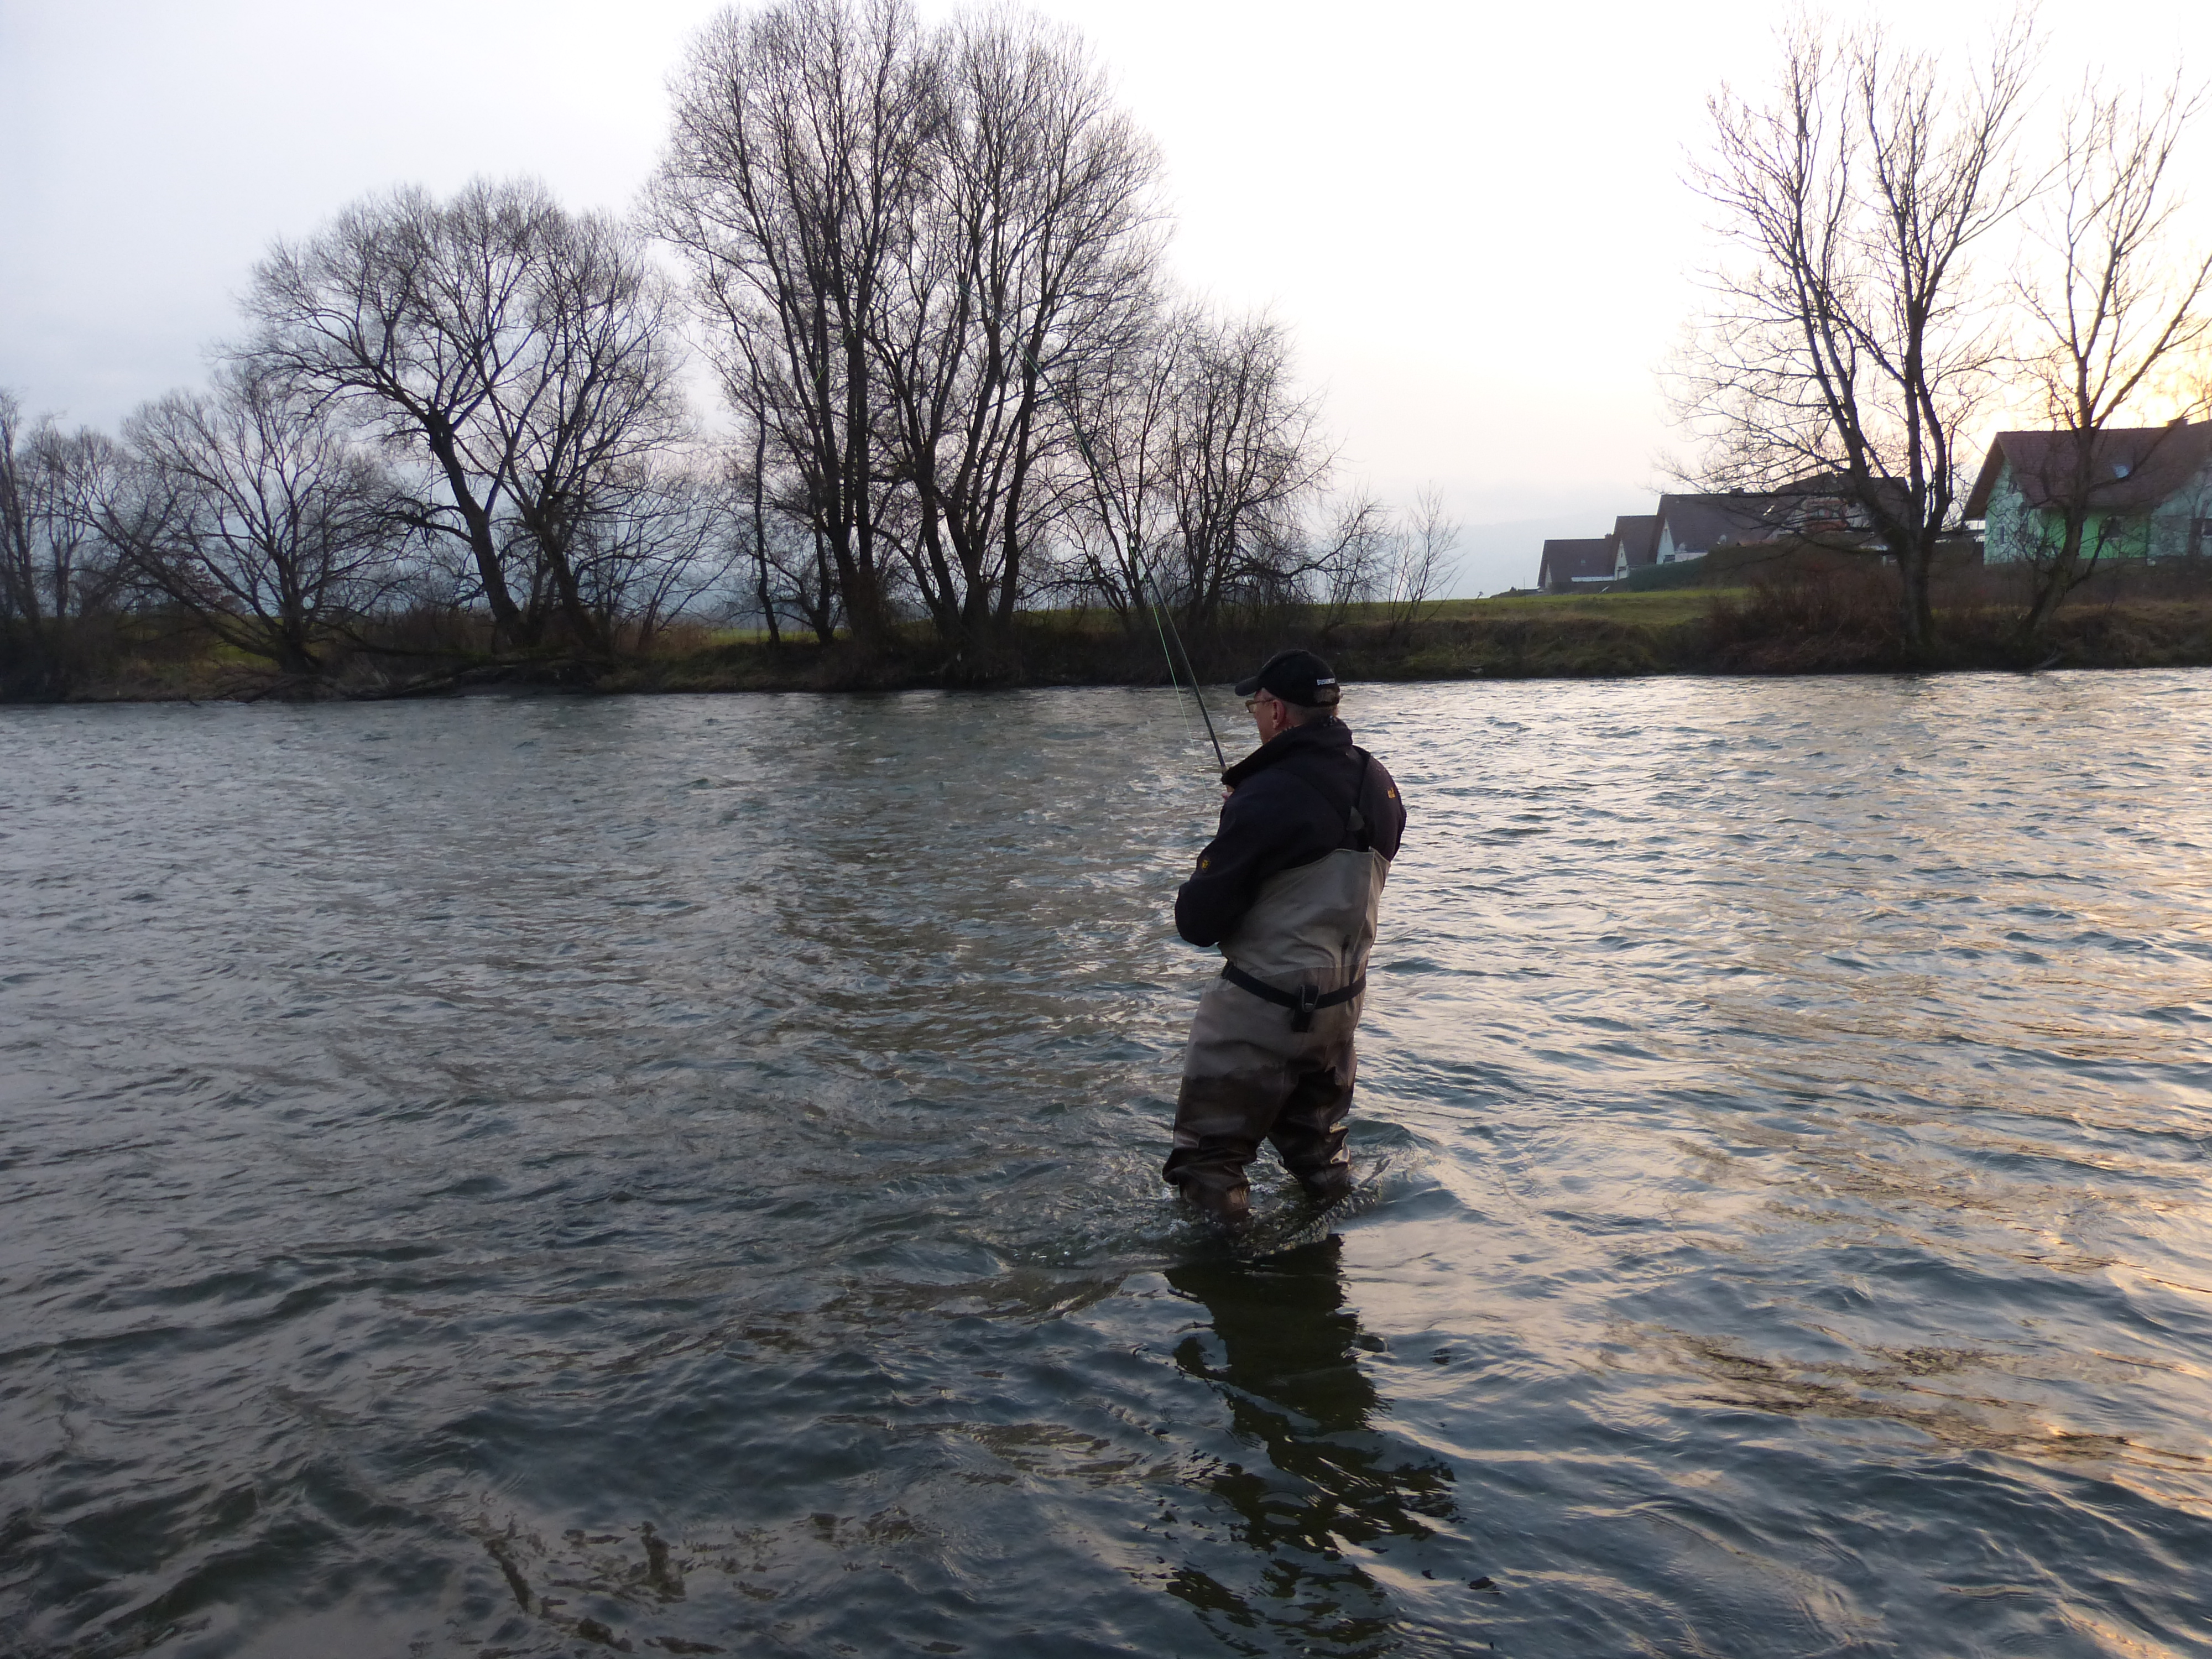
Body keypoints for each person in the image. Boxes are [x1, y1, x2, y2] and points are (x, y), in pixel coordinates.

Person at [1167, 649, 1406, 1227]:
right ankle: (1326, 1279)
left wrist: (1233, 827)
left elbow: (1197, 923)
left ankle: (1226, 1291)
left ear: (1276, 711)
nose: (1255, 716)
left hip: (1262, 1013)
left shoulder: (1266, 794)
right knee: (1320, 1157)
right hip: (1339, 1012)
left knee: (1209, 1166)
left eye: (1256, 705)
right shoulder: (1379, 781)